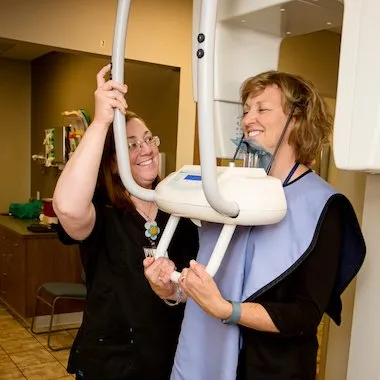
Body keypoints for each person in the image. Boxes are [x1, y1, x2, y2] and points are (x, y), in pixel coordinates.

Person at [144, 70, 366, 380]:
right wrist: (172, 289)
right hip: (204, 359)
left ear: (298, 118)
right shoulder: (229, 193)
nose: (248, 119)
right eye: (246, 109)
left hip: (273, 368)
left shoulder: (324, 206)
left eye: (262, 108)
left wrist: (227, 310)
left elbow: (304, 315)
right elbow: (207, 279)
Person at [53, 64, 199, 380]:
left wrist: (172, 291)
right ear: (113, 164)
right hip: (109, 363)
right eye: (131, 144)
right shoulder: (102, 212)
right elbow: (66, 208)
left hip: (166, 358)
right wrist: (102, 122)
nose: (146, 149)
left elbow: (193, 283)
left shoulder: (179, 212)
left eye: (149, 139)